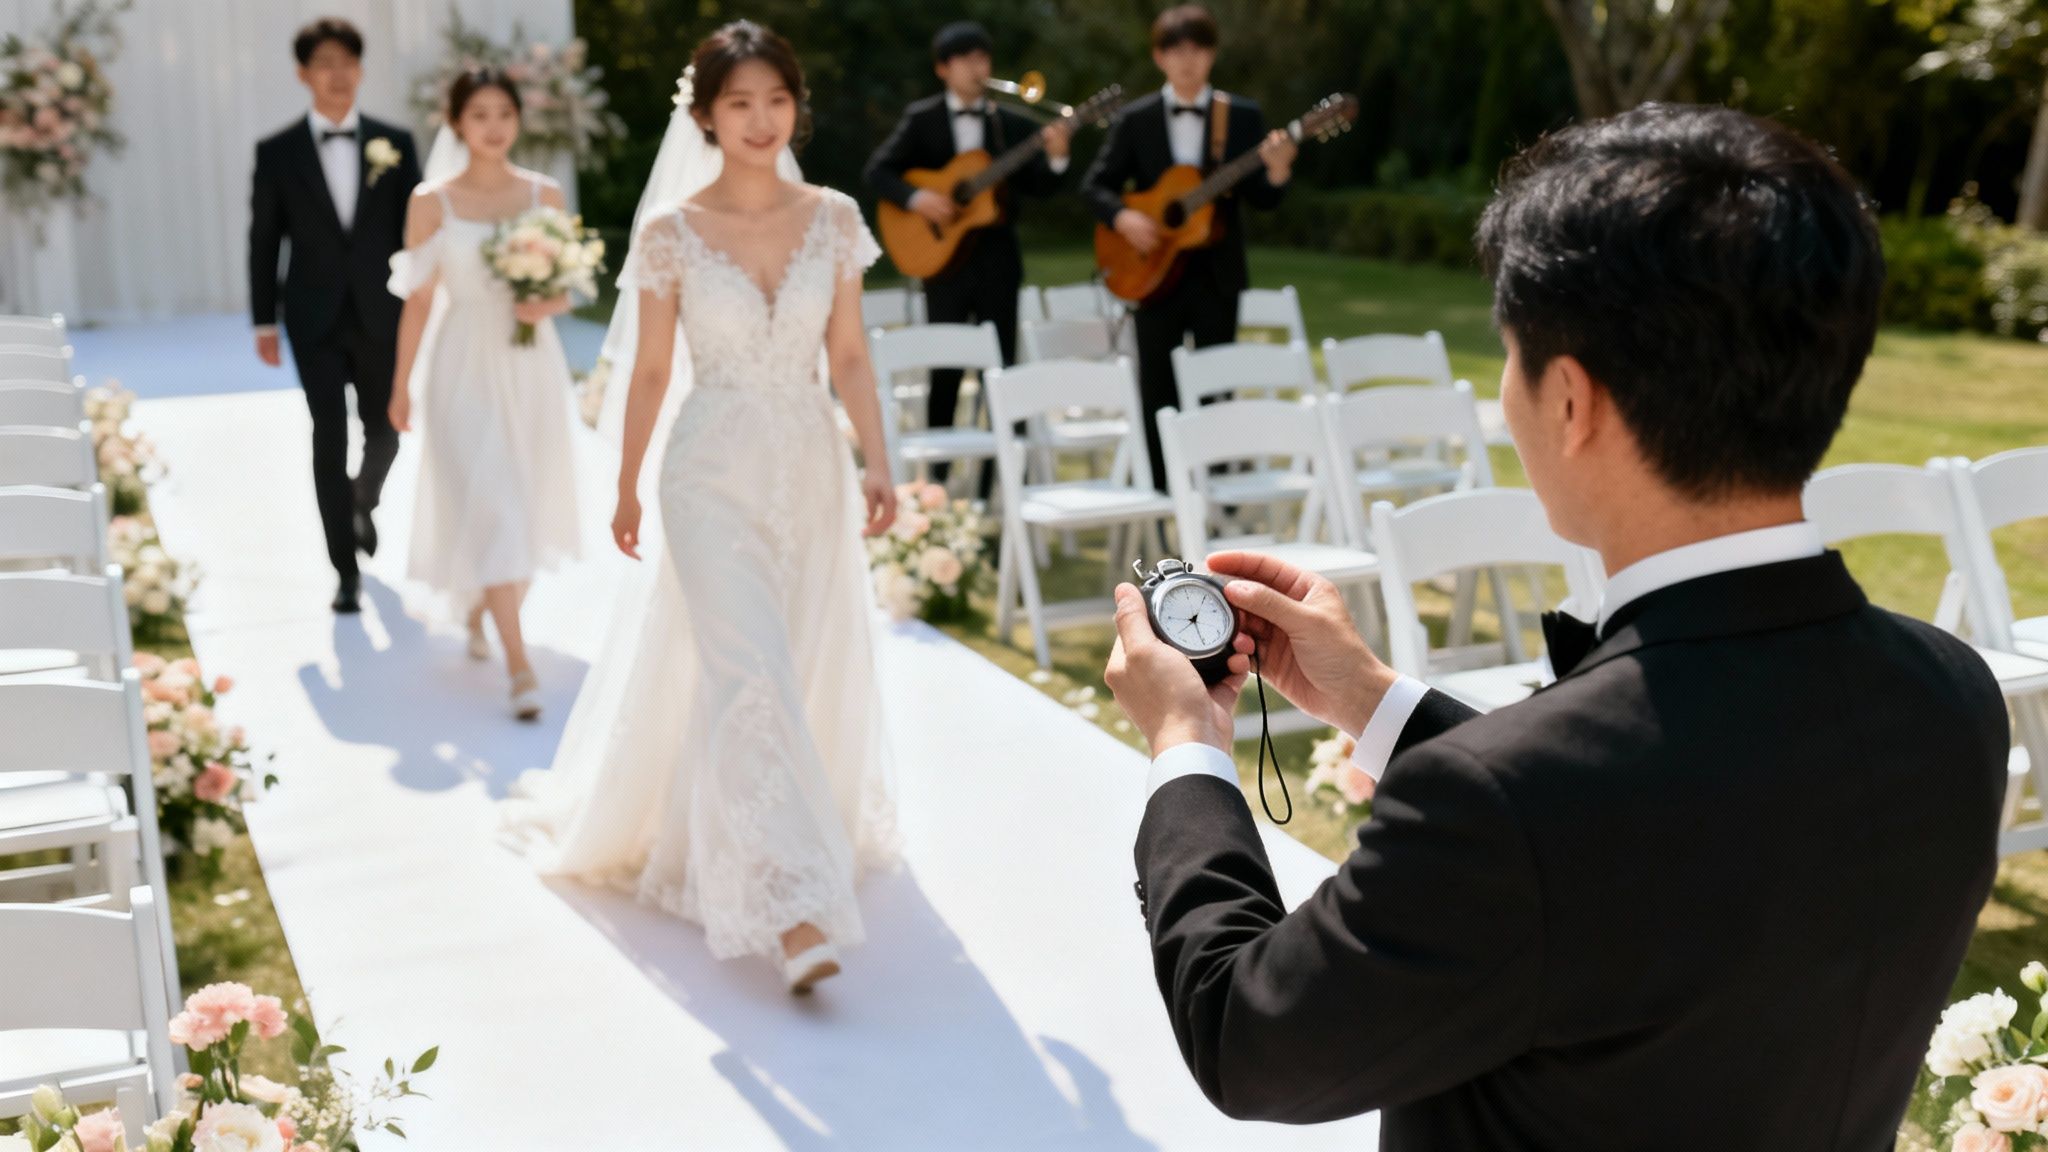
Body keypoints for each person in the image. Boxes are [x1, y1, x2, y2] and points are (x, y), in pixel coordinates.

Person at [1102, 103, 2009, 1147]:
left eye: (1509, 355)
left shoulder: (1511, 807)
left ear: (1569, 401)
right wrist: (1369, 698)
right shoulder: (1949, 694)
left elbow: (1250, 1036)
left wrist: (1186, 751)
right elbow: (1650, 845)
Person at [506, 21, 899, 996]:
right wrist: (628, 480)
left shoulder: (836, 218)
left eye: (776, 99)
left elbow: (848, 354)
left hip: (809, 462)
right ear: (706, 116)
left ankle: (752, 835)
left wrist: (879, 464)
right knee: (747, 666)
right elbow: (647, 370)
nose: (761, 119)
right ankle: (792, 904)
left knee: (798, 658)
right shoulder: (670, 231)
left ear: (795, 106)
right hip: (706, 467)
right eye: (739, 103)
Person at [384, 71, 582, 721]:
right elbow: (417, 301)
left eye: (504, 113)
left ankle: (481, 605)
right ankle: (519, 667)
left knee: (524, 496)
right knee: (492, 498)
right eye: (479, 114)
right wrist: (400, 385)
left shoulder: (543, 194)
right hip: (461, 362)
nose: (494, 125)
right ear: (457, 123)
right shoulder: (430, 200)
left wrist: (539, 299)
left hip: (529, 364)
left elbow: (566, 290)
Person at [1081, 4, 1293, 491]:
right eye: (1176, 49)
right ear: (1159, 57)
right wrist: (1125, 217)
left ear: (1212, 54)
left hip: (1216, 271)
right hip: (1152, 270)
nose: (1187, 60)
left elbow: (1262, 197)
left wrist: (1278, 171)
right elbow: (1095, 187)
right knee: (1156, 384)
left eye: (1197, 48)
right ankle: (1160, 490)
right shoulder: (1135, 120)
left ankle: (1221, 491)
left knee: (1218, 382)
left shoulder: (1241, 116)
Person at [248, 17, 421, 613]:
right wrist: (262, 320)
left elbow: (418, 233)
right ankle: (344, 570)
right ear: (303, 74)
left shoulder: (395, 143)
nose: (338, 73)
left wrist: (426, 305)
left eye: (347, 61)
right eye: (324, 63)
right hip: (312, 316)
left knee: (387, 429)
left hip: (383, 311)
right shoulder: (276, 152)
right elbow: (264, 239)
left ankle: (361, 499)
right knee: (329, 435)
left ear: (361, 70)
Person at [862, 20, 1072, 485]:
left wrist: (1057, 155)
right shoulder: (923, 119)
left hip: (998, 261)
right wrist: (919, 199)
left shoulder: (1012, 124)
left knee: (1004, 372)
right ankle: (933, 486)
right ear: (943, 68)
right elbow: (879, 171)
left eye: (983, 58)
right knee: (946, 370)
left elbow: (1041, 185)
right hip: (944, 266)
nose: (977, 67)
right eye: (966, 59)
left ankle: (997, 486)